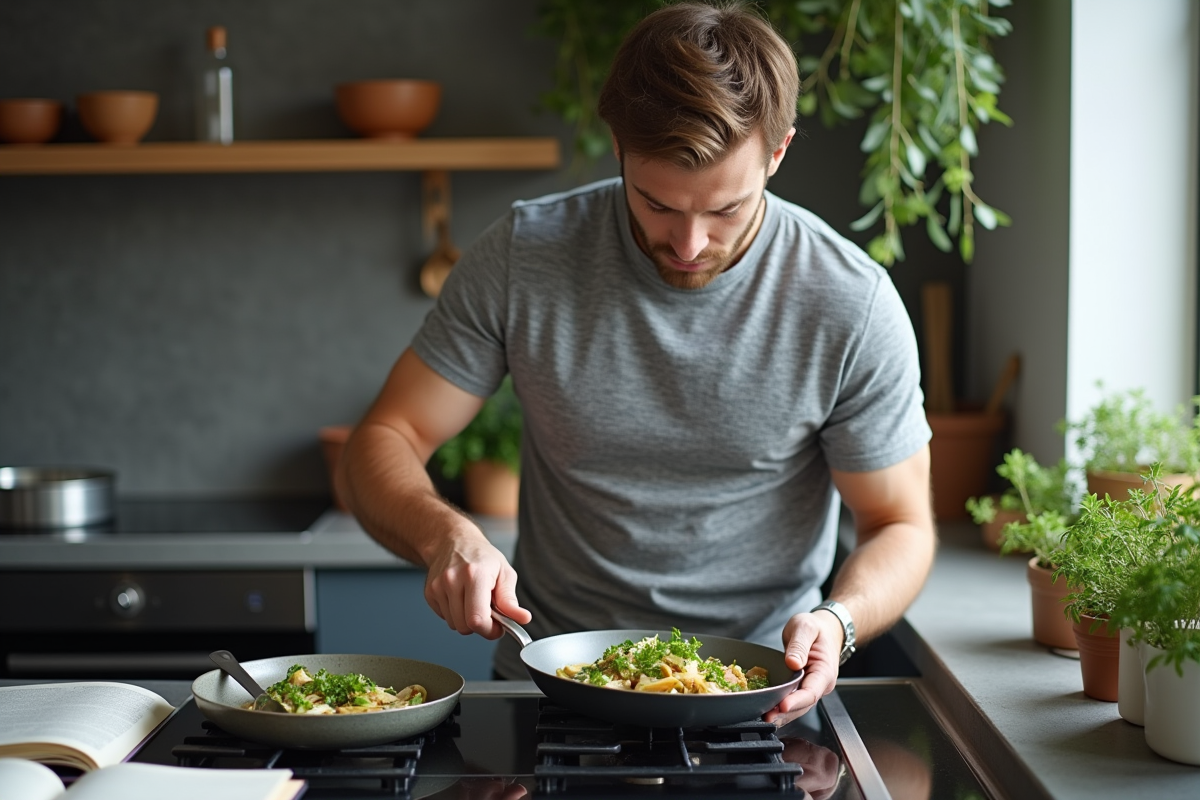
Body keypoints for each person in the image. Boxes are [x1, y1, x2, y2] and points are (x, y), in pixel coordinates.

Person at [337, 0, 936, 726]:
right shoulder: (525, 256)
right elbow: (385, 438)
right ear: (618, 145)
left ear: (777, 153)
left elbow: (900, 523)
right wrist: (448, 536)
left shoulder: (850, 302)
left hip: (760, 696)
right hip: (555, 685)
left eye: (725, 209)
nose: (688, 244)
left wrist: (839, 619)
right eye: (656, 204)